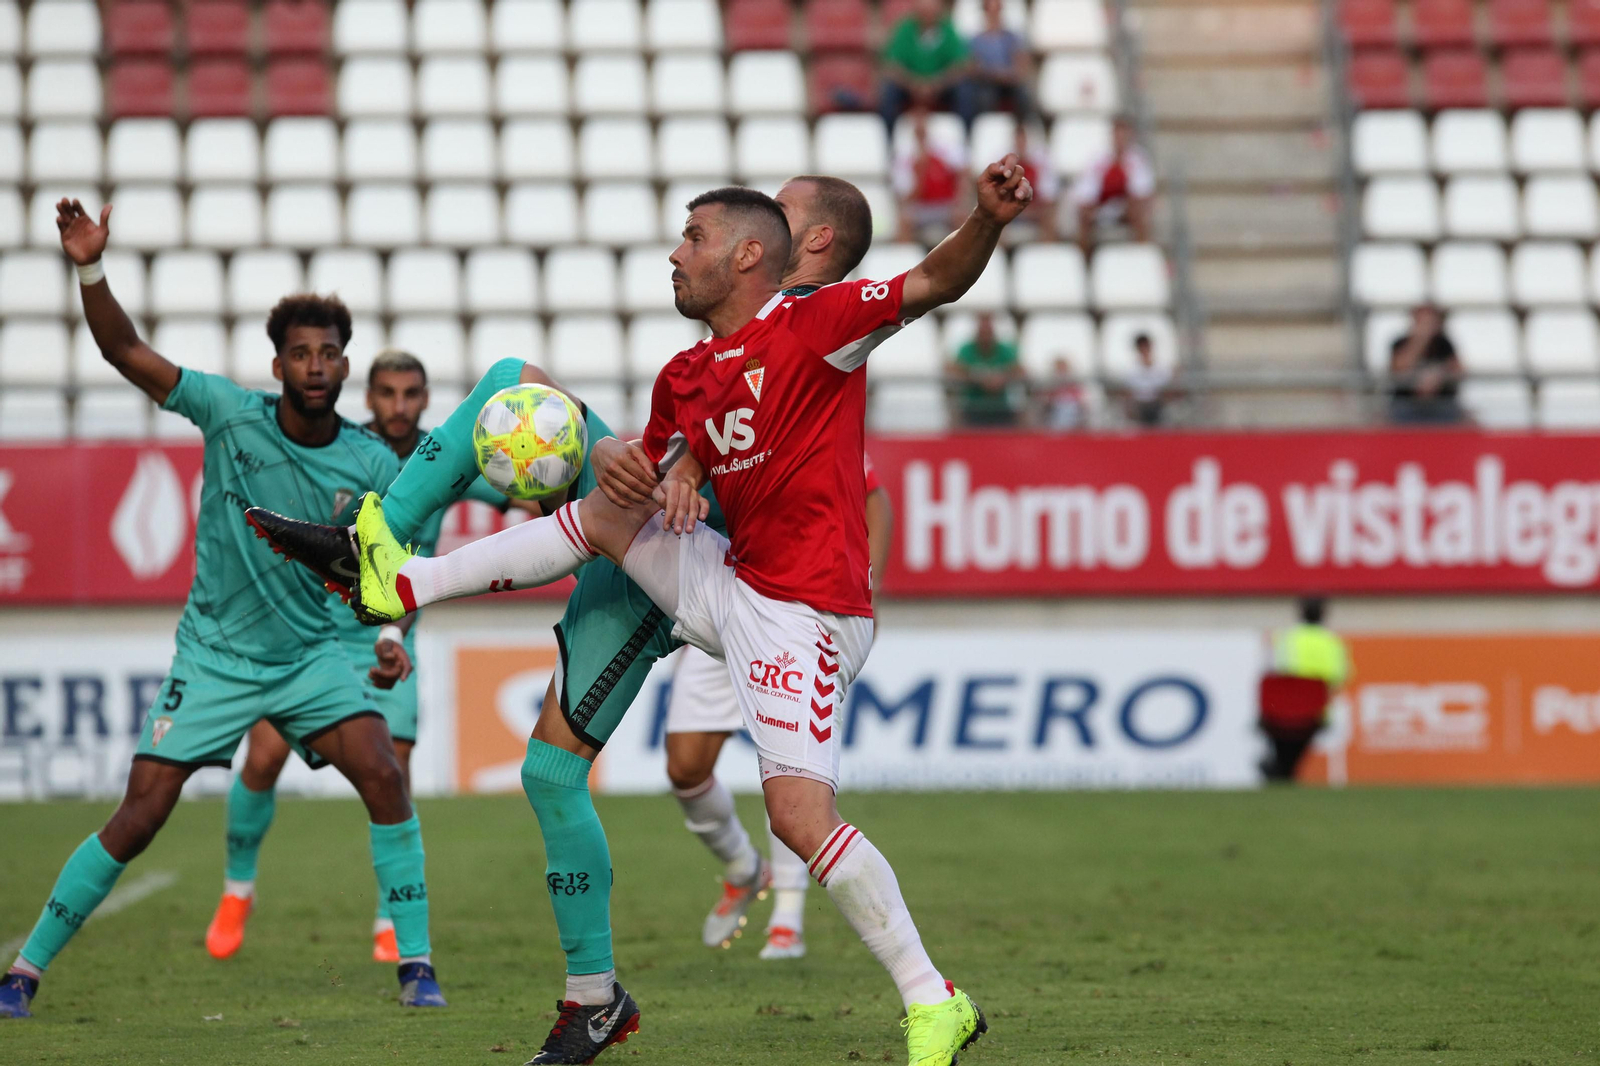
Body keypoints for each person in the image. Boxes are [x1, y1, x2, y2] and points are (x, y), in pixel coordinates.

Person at [260, 160, 1031, 1064]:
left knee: (797, 816)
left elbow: (935, 280)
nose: (676, 252)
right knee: (601, 529)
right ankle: (398, 582)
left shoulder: (823, 324)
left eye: (697, 236)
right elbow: (672, 462)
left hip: (801, 610)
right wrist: (650, 465)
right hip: (728, 576)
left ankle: (933, 998)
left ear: (778, 247)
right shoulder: (689, 371)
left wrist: (987, 218)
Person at [0, 200, 444, 1021]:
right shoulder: (227, 412)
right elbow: (124, 350)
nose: (315, 365)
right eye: (300, 353)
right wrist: (90, 267)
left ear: (345, 367)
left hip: (311, 658)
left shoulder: (372, 463)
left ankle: (416, 964)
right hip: (214, 658)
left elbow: (395, 568)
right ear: (277, 365)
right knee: (140, 816)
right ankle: (23, 971)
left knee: (385, 776)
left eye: (328, 353)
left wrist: (389, 633)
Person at [204, 350, 516, 965]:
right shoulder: (340, 453)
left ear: (425, 399)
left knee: (392, 771)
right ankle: (238, 889)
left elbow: (527, 488)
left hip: (393, 633)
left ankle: (388, 918)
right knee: (263, 757)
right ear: (368, 398)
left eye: (410, 393)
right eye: (387, 393)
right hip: (317, 633)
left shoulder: (450, 456)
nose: (399, 405)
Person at [664, 452, 893, 960]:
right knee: (685, 768)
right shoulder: (708, 421)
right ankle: (745, 869)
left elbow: (875, 498)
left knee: (788, 769)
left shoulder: (806, 418)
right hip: (723, 600)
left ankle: (787, 918)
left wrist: (869, 586)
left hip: (793, 613)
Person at [1263, 598, 1351, 782]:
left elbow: (1278, 672)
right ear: (1323, 614)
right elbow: (1340, 678)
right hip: (1316, 711)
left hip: (1281, 710)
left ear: (1300, 613)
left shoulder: (1287, 638)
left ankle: (1280, 768)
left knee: (1285, 750)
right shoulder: (1331, 641)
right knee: (1292, 751)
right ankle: (1282, 769)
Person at [879, 0, 976, 131]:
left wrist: (937, 84)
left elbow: (960, 65)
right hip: (909, 85)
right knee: (889, 91)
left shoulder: (947, 28)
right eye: (924, 11)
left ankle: (966, 135)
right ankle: (889, 136)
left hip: (941, 86)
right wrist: (913, 84)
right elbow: (891, 65)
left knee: (965, 91)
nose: (927, 15)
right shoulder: (905, 29)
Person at [1072, 114, 1156, 254]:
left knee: (1140, 211)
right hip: (1100, 208)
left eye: (1124, 135)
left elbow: (1142, 192)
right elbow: (1085, 192)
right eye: (1117, 135)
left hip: (1126, 210)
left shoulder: (1138, 159)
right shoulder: (1098, 159)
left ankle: (1141, 254)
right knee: (1083, 215)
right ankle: (1084, 258)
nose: (1120, 140)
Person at [893, 108, 968, 244]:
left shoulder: (945, 150)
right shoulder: (904, 158)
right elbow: (907, 197)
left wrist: (959, 199)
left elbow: (963, 173)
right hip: (921, 208)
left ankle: (962, 255)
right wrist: (920, 172)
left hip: (946, 205)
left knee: (964, 219)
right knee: (904, 222)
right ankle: (905, 255)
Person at [1388, 304, 1464, 424]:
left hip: (1441, 405)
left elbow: (1458, 370)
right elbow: (1399, 367)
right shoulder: (1400, 343)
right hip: (1407, 405)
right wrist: (1421, 339)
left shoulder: (1444, 344)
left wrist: (1438, 377)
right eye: (1423, 320)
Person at [948, 312, 1026, 426]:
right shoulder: (967, 349)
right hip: (973, 409)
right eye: (983, 331)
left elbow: (1021, 370)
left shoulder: (1004, 349)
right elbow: (952, 369)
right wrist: (978, 379)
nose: (985, 334)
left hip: (1001, 408)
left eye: (988, 330)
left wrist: (1002, 378)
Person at [968, 0, 1033, 120]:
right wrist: (997, 74)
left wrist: (1003, 75)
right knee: (984, 98)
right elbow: (974, 68)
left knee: (1024, 95)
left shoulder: (1013, 38)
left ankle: (1022, 126)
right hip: (987, 84)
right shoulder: (976, 40)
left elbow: (1021, 67)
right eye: (990, 10)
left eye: (997, 10)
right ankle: (987, 126)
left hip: (1009, 83)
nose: (994, 14)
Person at [1122, 333, 1173, 427]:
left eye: (1146, 346)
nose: (1144, 350)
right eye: (1141, 347)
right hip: (1139, 406)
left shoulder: (1161, 367)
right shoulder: (1131, 369)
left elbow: (1168, 388)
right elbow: (1127, 391)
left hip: (1157, 405)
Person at [1040, 356, 1088, 430]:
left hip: (1073, 410)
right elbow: (1046, 397)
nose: (1061, 369)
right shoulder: (1050, 381)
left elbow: (1080, 396)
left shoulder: (1074, 380)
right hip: (1055, 411)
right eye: (1059, 367)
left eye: (1063, 367)